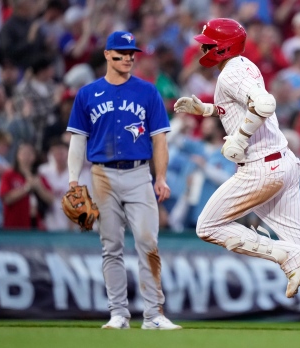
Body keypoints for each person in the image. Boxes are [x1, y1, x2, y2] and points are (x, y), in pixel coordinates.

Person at [173, 18, 300, 332]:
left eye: (208, 42)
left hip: (261, 168)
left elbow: (265, 103)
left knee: (208, 225)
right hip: (283, 163)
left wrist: (238, 138)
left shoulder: (232, 72)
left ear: (224, 45)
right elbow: (245, 105)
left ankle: (285, 255)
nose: (203, 46)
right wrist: (207, 109)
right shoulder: (243, 66)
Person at [65, 31, 181, 330]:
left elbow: (160, 141)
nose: (128, 57)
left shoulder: (148, 92)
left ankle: (154, 315)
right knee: (111, 245)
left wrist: (162, 177)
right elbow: (78, 140)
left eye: (132, 52)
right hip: (102, 174)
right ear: (107, 55)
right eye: (121, 52)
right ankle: (118, 314)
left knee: (148, 243)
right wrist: (73, 180)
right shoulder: (87, 94)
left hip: (139, 173)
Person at [0, 142, 53, 229]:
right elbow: (7, 198)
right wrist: (26, 188)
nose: (26, 156)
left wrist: (39, 188)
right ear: (17, 155)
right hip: (15, 225)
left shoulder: (39, 177)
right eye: (23, 153)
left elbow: (51, 199)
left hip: (35, 223)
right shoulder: (9, 175)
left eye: (30, 153)